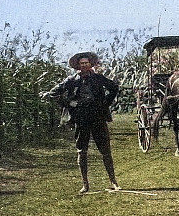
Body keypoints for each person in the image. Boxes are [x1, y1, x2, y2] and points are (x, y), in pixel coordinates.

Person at [44, 52, 121, 194]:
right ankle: (85, 184)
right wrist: (69, 103)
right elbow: (53, 93)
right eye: (81, 63)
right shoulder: (72, 80)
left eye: (86, 63)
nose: (84, 65)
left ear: (91, 64)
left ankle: (113, 181)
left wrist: (105, 104)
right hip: (81, 119)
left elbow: (114, 88)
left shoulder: (98, 78)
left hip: (98, 117)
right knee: (82, 151)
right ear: (77, 66)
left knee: (105, 150)